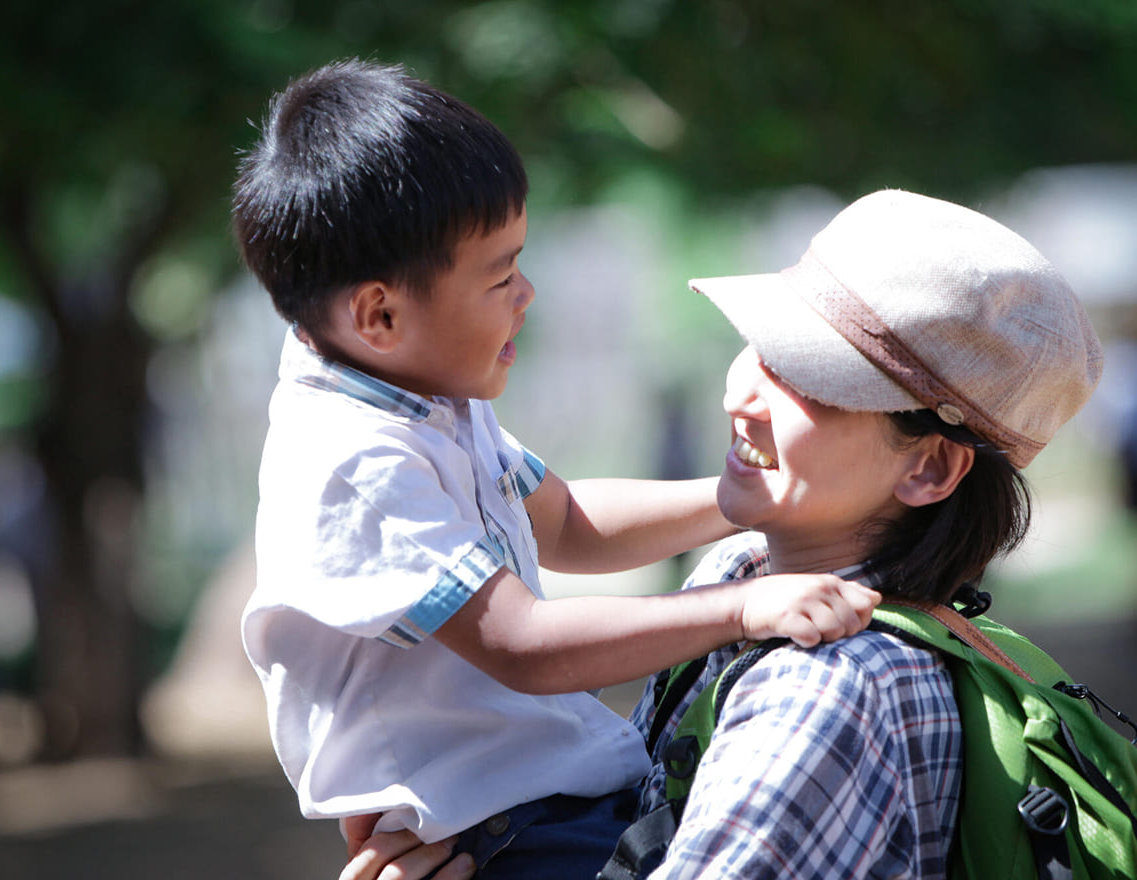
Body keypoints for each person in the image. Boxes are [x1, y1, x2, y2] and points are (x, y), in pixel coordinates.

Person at [231, 59, 879, 879]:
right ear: (380, 313)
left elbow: (566, 520)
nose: (527, 293)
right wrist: (743, 606)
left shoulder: (422, 394)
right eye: (501, 276)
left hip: (543, 803)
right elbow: (525, 644)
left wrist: (736, 499)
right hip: (506, 839)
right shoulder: (358, 460)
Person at [338, 188, 1103, 879]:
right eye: (761, 349)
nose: (744, 395)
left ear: (930, 468)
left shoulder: (827, 689)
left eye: (808, 381)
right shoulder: (742, 570)